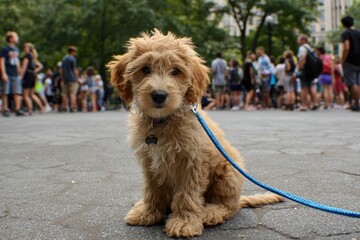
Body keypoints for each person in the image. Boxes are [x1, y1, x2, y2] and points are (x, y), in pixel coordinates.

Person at [0, 31, 24, 116]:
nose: (17, 38)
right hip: (7, 72)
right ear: (10, 39)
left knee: (17, 91)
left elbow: (17, 61)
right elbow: (2, 61)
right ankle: (5, 109)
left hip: (15, 73)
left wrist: (20, 71)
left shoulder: (16, 49)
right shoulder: (5, 50)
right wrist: (3, 73)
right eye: (15, 37)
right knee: (5, 91)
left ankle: (17, 108)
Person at [341, 15, 360, 112]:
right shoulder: (358, 32)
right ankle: (357, 102)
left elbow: (347, 47)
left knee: (353, 83)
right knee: (358, 82)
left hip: (350, 61)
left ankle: (356, 103)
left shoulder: (346, 33)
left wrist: (343, 60)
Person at [19, 43, 45, 115]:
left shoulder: (27, 56)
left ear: (29, 48)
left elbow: (24, 67)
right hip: (32, 76)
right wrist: (34, 71)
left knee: (25, 94)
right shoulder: (33, 56)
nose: (24, 48)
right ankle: (41, 107)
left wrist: (21, 76)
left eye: (25, 47)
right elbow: (40, 66)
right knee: (32, 94)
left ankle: (30, 109)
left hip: (27, 76)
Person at [296, 34, 319, 111]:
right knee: (310, 88)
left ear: (303, 40)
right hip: (311, 70)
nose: (297, 41)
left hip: (305, 70)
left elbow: (303, 58)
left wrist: (299, 68)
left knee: (304, 88)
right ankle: (314, 103)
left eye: (298, 39)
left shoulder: (302, 48)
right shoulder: (310, 48)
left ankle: (304, 105)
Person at [60, 45, 79, 112]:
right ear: (72, 51)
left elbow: (61, 69)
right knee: (72, 93)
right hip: (72, 78)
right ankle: (72, 106)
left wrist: (62, 78)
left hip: (65, 79)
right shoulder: (72, 59)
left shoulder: (64, 58)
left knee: (64, 93)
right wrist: (77, 78)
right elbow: (75, 70)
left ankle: (65, 107)